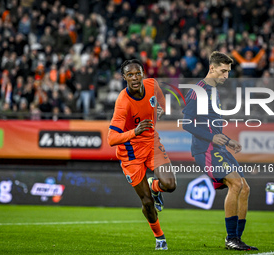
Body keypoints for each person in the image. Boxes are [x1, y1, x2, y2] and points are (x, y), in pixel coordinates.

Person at [182, 51, 257, 251]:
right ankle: (231, 238)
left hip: (218, 147)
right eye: (223, 71)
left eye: (228, 72)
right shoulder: (199, 90)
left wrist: (228, 140)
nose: (226, 76)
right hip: (204, 149)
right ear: (212, 68)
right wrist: (212, 138)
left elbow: (211, 127)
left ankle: (236, 239)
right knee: (235, 183)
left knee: (245, 188)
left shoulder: (214, 91)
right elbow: (186, 123)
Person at [107, 59, 176, 250]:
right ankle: (159, 237)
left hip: (152, 143)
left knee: (170, 185)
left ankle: (155, 187)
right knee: (146, 202)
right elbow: (111, 139)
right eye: (130, 75)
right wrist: (135, 132)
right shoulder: (123, 102)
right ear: (124, 78)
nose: (135, 78)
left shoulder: (152, 85)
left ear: (143, 73)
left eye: (137, 73)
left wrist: (160, 110)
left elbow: (161, 102)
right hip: (130, 154)